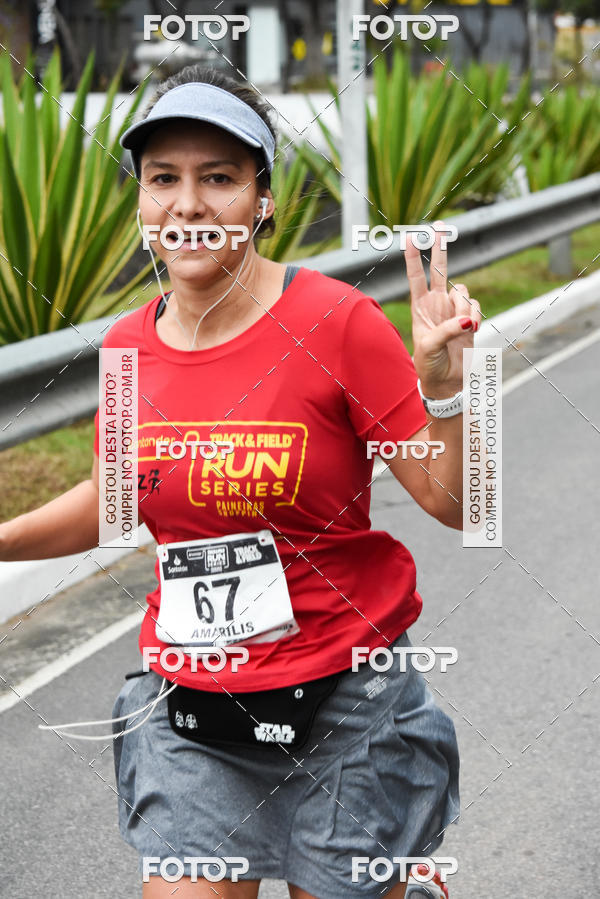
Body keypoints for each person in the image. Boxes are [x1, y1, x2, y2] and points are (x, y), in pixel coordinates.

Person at [0, 65, 481, 899]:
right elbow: (115, 504)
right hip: (194, 711)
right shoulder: (125, 349)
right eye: (164, 180)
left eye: (218, 178)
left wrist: (447, 388)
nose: (188, 205)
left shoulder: (337, 322)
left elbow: (459, 501)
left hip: (347, 705)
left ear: (263, 197)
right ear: (142, 201)